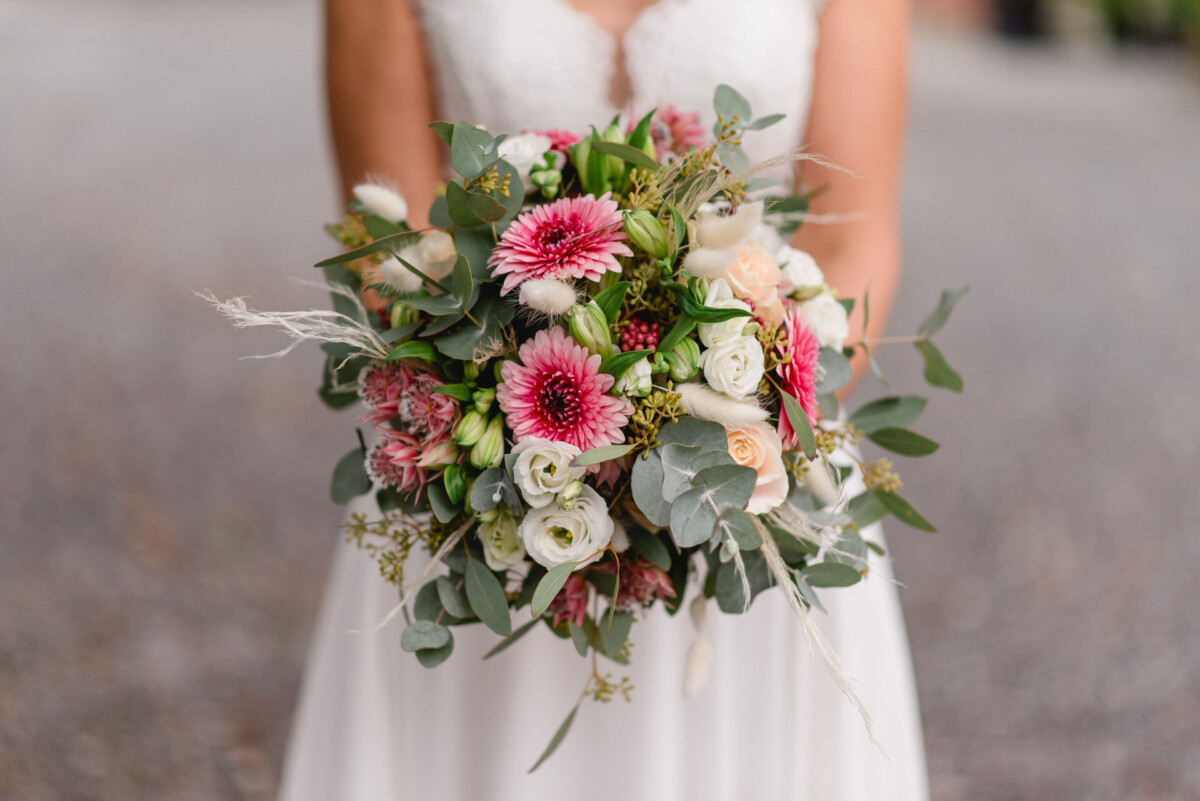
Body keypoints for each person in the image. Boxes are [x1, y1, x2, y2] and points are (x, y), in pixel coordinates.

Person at [279, 0, 927, 798]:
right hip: (481, 495)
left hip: (752, 480)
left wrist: (741, 412)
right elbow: (388, 244)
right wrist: (519, 421)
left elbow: (852, 234)